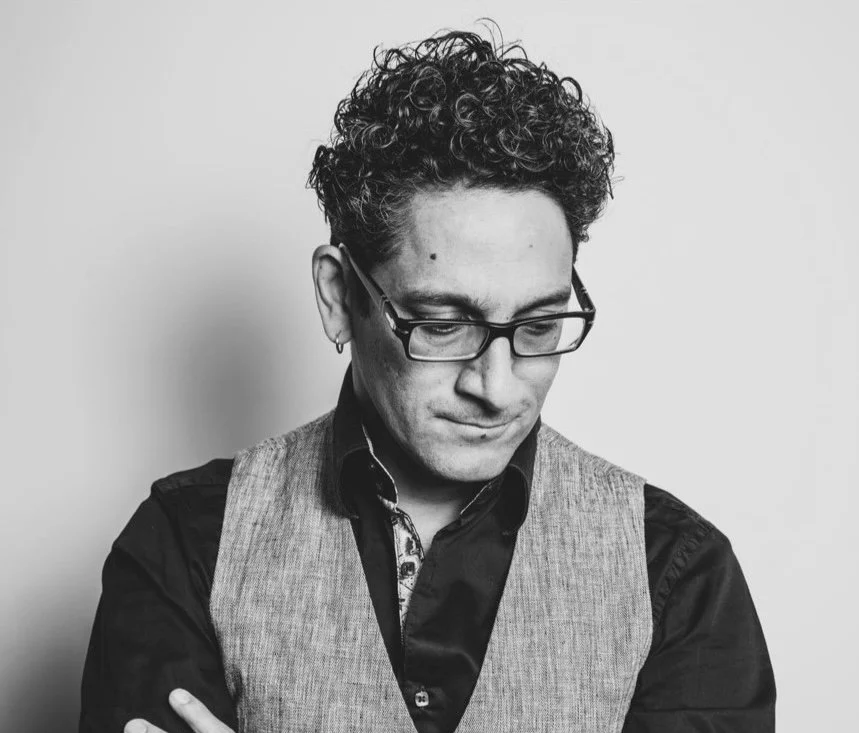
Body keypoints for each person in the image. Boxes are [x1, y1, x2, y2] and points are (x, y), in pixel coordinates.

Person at [79, 27, 776, 733]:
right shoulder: (185, 547)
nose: (498, 387)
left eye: (537, 326)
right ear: (338, 296)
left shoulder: (679, 575)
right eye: (443, 324)